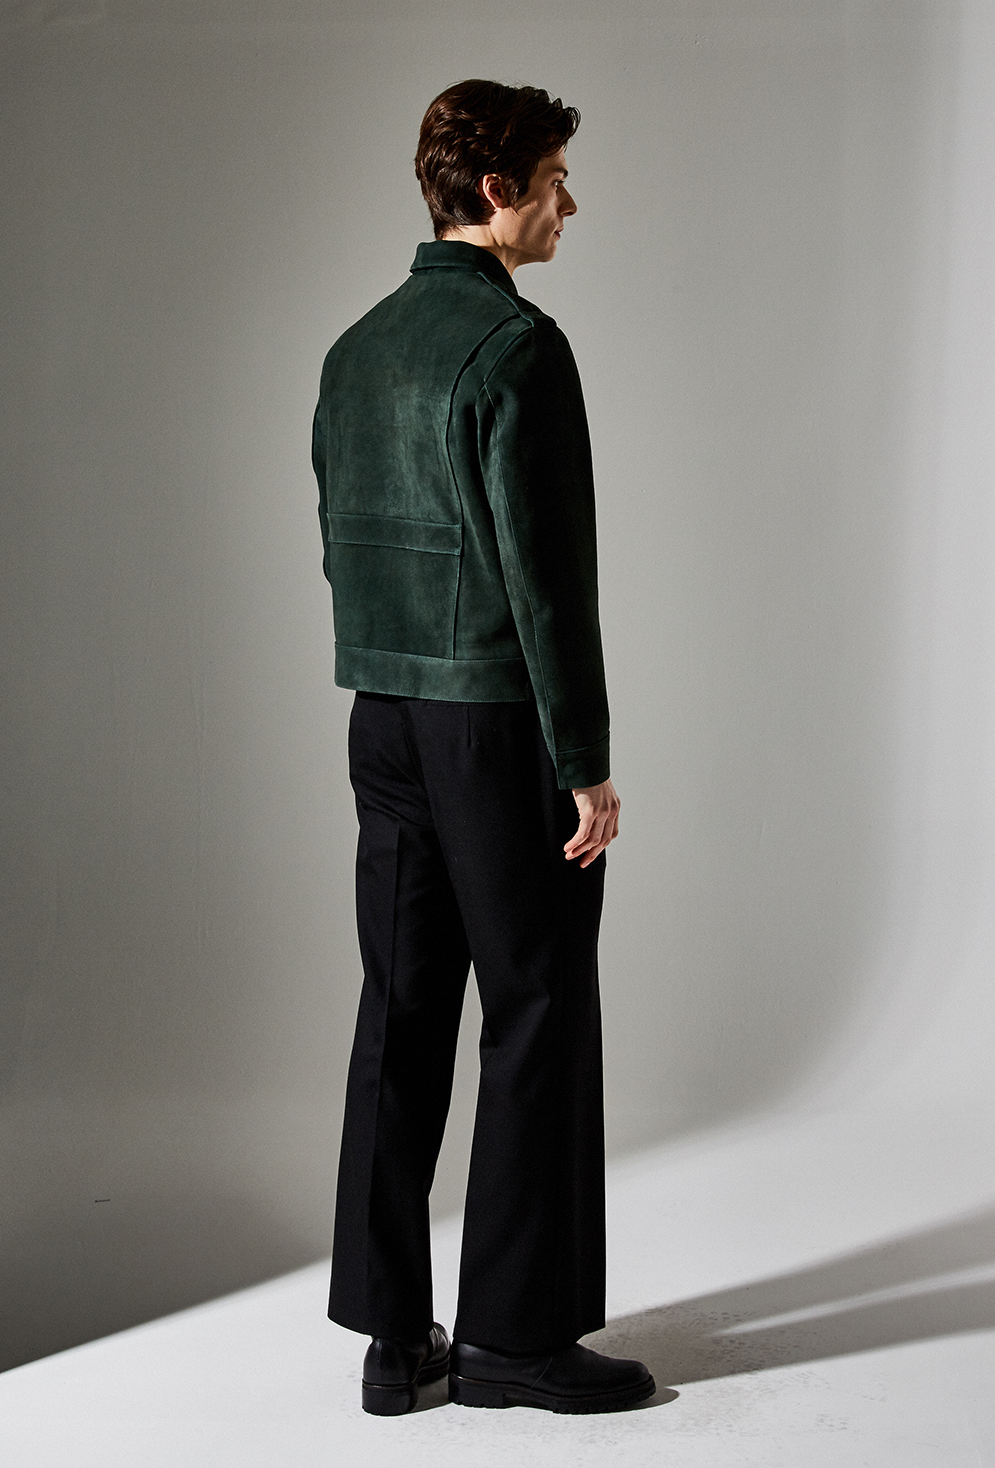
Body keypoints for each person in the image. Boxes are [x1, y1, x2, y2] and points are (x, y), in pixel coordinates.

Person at [311, 79, 654, 1416]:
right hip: (494, 724)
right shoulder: (518, 350)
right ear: (498, 192)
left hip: (382, 716)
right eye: (556, 180)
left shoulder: (355, 350)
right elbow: (547, 584)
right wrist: (585, 761)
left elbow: (336, 538)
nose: (572, 203)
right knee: (536, 1004)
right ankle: (515, 1337)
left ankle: (394, 1341)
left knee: (399, 1013)